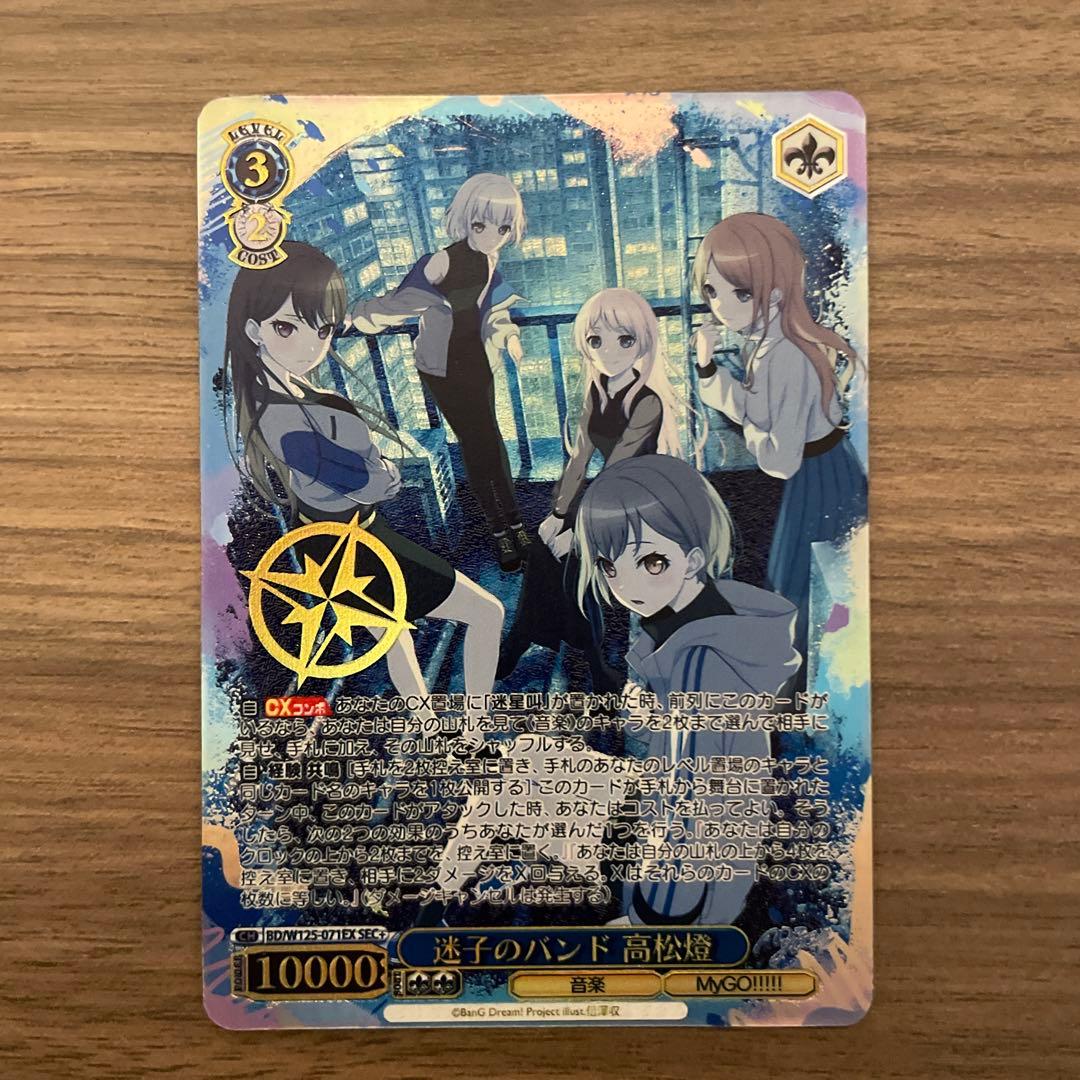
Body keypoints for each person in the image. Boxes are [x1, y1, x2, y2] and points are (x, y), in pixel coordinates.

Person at [225, 241, 503, 728]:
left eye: (323, 330)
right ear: (253, 330)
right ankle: (474, 728)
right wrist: (381, 472)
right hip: (353, 546)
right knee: (486, 613)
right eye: (287, 327)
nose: (311, 345)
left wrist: (372, 467)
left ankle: (429, 727)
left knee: (394, 637)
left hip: (338, 541)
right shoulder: (279, 416)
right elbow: (363, 480)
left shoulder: (288, 392)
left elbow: (354, 473)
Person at [574, 454, 800, 926]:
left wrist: (650, 919)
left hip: (688, 896)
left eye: (650, 561)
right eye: (609, 566)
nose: (625, 585)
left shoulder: (700, 661)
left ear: (694, 559)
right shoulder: (713, 621)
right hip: (707, 860)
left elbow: (689, 811)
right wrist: (649, 713)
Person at [691, 213, 867, 674]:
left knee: (803, 588)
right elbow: (755, 406)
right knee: (810, 585)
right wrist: (709, 368)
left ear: (773, 292)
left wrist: (752, 430)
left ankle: (799, 684)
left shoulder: (784, 354)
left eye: (739, 293)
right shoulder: (771, 339)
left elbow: (778, 457)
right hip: (824, 470)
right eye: (712, 292)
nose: (721, 307)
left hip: (816, 477)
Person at [497, 289, 683, 689]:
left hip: (638, 500)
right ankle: (524, 635)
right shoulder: (596, 393)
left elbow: (618, 471)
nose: (608, 352)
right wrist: (558, 513)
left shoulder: (648, 402)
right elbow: (579, 458)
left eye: (624, 340)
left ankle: (597, 662)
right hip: (605, 493)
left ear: (642, 343)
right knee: (542, 545)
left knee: (578, 565)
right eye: (596, 340)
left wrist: (581, 533)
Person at [351, 173, 530, 572]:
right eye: (481, 225)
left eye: (503, 229)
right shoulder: (441, 261)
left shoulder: (490, 260)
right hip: (442, 369)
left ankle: (515, 523)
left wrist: (509, 336)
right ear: (466, 219)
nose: (493, 236)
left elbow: (494, 308)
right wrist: (358, 315)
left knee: (491, 443)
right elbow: (401, 303)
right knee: (475, 444)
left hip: (477, 362)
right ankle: (500, 530)